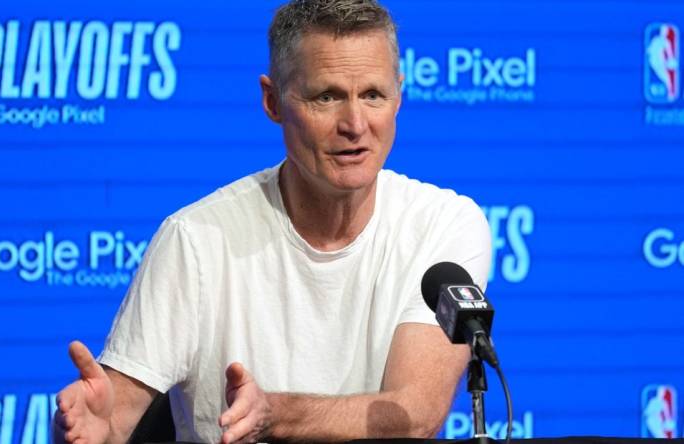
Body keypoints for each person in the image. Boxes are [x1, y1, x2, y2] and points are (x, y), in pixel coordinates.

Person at [54, 0, 491, 442]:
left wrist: (273, 414)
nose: (355, 124)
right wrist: (86, 428)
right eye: (327, 96)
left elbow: (413, 413)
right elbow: (109, 423)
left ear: (399, 96)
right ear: (272, 101)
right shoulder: (196, 241)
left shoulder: (443, 223)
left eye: (373, 95)